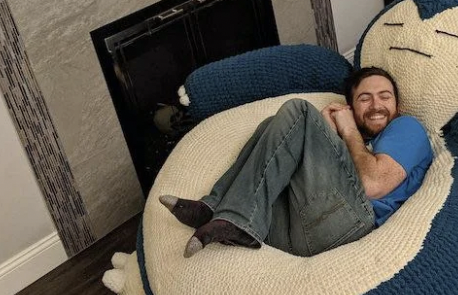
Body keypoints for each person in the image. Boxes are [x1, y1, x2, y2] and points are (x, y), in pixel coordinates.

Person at [160, 67, 433, 258]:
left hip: (352, 223)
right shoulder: (353, 144)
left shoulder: (406, 127)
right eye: (365, 98)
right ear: (349, 107)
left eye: (385, 97)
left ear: (398, 105)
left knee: (299, 111)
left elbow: (372, 184)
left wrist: (346, 131)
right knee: (274, 125)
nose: (376, 105)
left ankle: (236, 218)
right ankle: (216, 207)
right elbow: (332, 173)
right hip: (296, 233)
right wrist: (327, 136)